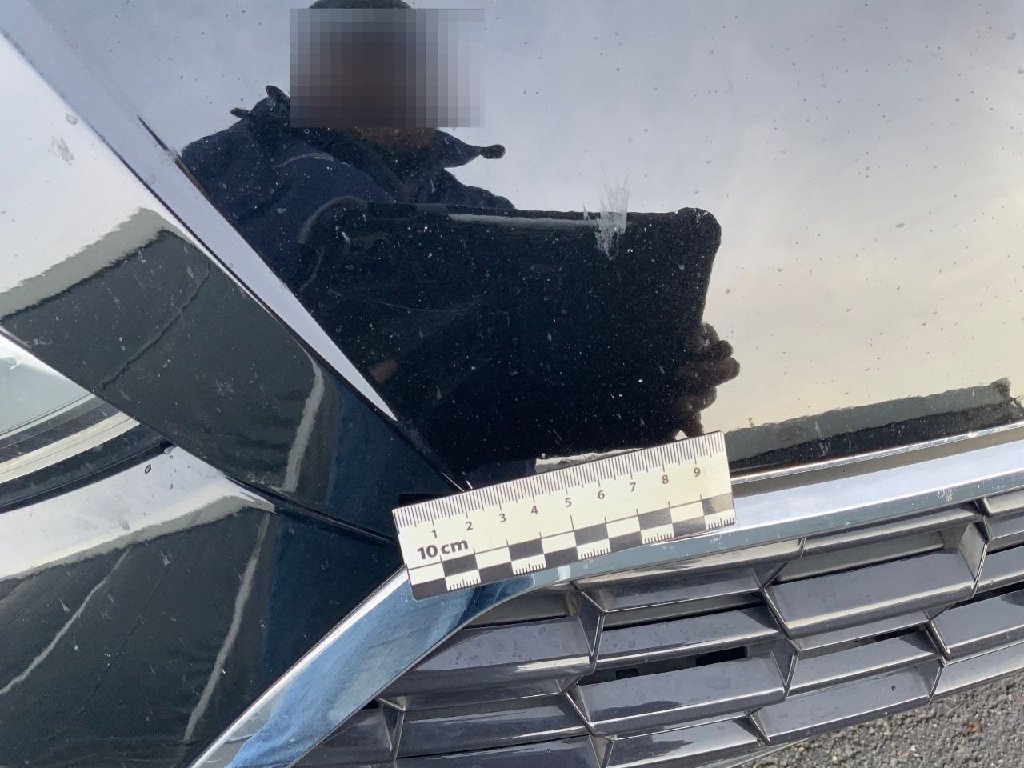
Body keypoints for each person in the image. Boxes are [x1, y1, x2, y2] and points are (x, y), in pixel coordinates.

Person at [179, 1, 739, 474]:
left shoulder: (479, 212)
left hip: (483, 515)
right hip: (303, 511)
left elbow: (554, 316)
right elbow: (178, 354)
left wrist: (660, 349)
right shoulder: (223, 166)